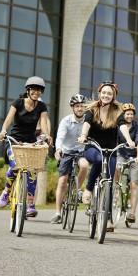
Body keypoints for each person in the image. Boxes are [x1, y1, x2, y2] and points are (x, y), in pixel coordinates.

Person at [0, 76, 51, 217]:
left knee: (32, 170)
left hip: (30, 141)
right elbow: (8, 119)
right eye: (33, 89)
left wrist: (46, 135)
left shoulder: (41, 106)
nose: (36, 92)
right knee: (15, 165)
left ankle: (30, 204)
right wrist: (3, 131)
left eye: (39, 90)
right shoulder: (18, 103)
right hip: (14, 140)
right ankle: (6, 192)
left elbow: (44, 122)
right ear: (28, 90)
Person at [77, 82, 132, 207]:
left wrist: (129, 140)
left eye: (109, 93)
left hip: (110, 150)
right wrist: (83, 135)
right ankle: (89, 189)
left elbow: (122, 126)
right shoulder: (93, 109)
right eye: (104, 93)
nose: (106, 95)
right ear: (100, 94)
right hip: (93, 147)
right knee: (98, 160)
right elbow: (87, 123)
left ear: (113, 96)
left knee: (110, 180)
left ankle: (107, 218)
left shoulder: (118, 111)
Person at [50, 94, 89, 224]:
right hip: (66, 152)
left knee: (84, 166)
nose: (80, 108)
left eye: (82, 106)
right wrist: (58, 149)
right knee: (62, 181)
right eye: (77, 106)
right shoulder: (66, 121)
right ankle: (57, 213)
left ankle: (77, 189)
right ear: (73, 108)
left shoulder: (88, 121)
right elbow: (60, 137)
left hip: (81, 152)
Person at [115, 102, 138, 224]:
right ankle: (116, 189)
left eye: (131, 114)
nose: (129, 116)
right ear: (123, 115)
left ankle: (132, 213)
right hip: (121, 154)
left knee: (134, 184)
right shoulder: (118, 126)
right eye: (127, 114)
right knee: (116, 167)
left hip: (134, 156)